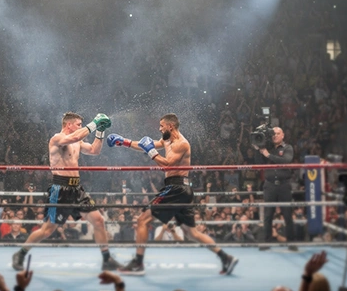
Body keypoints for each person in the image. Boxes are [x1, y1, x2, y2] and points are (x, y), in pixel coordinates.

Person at [107, 113, 237, 276]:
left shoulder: (181, 143)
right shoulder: (167, 140)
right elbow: (145, 144)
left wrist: (151, 152)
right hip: (180, 189)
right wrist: (124, 142)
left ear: (170, 126)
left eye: (162, 126)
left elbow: (167, 165)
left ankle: (138, 263)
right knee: (191, 233)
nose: (159, 128)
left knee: (142, 220)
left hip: (176, 187)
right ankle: (226, 257)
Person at [12, 112, 120, 271]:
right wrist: (94, 123)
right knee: (47, 230)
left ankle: (106, 259)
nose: (81, 128)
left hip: (77, 188)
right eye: (78, 124)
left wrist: (100, 131)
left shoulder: (78, 141)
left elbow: (94, 151)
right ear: (68, 124)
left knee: (98, 220)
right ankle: (20, 254)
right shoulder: (57, 139)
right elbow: (74, 138)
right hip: (60, 189)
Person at [253, 127, 295, 242]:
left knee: (287, 214)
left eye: (278, 133)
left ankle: (291, 242)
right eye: (273, 134)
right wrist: (258, 150)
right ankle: (267, 241)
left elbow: (286, 161)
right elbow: (259, 164)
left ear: (283, 135)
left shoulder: (288, 148)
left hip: (284, 185)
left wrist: (268, 155)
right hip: (270, 185)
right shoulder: (268, 149)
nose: (275, 135)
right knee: (268, 215)